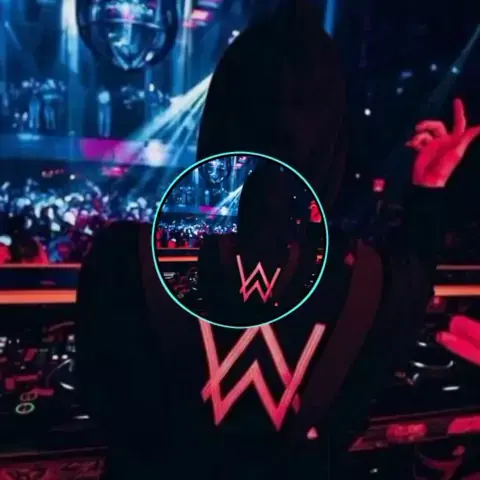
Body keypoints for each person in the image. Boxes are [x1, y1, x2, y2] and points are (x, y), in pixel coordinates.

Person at [75, 1, 480, 479]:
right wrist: (427, 192)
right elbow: (413, 275)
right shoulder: (376, 286)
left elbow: (100, 403)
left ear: (218, 117)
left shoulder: (121, 260)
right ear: (335, 134)